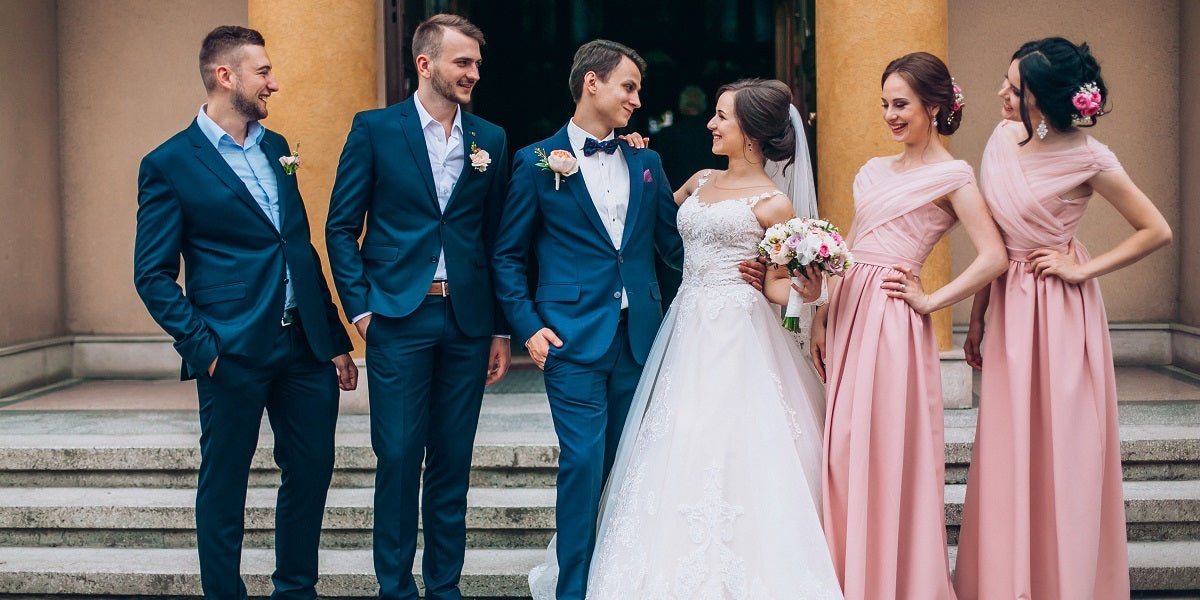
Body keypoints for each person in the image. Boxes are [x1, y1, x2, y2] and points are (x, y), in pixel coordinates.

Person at [491, 40, 765, 600]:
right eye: (629, 87)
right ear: (592, 82)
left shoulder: (646, 161)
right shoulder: (537, 162)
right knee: (584, 461)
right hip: (569, 337)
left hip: (642, 337)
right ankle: (573, 589)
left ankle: (617, 583)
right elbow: (507, 255)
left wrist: (748, 262)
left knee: (632, 468)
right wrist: (526, 324)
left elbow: (674, 242)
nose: (637, 100)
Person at [584, 78, 844, 599]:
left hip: (740, 331)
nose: (710, 123)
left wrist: (806, 289)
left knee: (735, 439)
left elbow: (775, 283)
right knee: (678, 435)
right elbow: (647, 210)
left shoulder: (774, 204)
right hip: (688, 325)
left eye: (722, 116)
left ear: (748, 131)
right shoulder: (700, 181)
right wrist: (636, 156)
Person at [133, 25, 357, 600]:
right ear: (224, 76)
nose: (273, 84)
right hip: (230, 351)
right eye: (263, 72)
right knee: (225, 481)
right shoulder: (168, 164)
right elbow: (153, 275)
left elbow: (298, 248)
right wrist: (203, 348)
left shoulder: (277, 147)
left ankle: (295, 590)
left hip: (304, 348)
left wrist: (333, 337)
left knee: (310, 473)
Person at [954, 38, 1171, 600]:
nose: (1001, 92)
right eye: (1006, 81)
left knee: (1064, 452)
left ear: (1045, 101)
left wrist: (1085, 270)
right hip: (1008, 305)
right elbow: (995, 241)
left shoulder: (1092, 159)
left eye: (1014, 88)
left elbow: (1155, 229)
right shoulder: (1002, 138)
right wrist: (976, 318)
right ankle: (1006, 584)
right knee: (1007, 449)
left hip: (1059, 312)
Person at [324, 14, 511, 600]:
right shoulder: (375, 130)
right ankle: (395, 588)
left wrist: (500, 327)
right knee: (400, 456)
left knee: (453, 459)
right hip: (397, 320)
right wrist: (361, 310)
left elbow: (498, 238)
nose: (474, 73)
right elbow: (339, 228)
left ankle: (445, 587)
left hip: (467, 320)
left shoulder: (492, 140)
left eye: (477, 64)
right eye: (463, 62)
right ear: (425, 64)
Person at [810, 52, 1008, 600]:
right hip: (849, 309)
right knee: (842, 447)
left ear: (935, 107)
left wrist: (931, 301)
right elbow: (848, 248)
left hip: (894, 320)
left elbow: (993, 256)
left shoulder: (953, 175)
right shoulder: (872, 170)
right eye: (885, 104)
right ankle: (846, 577)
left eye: (901, 104)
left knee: (883, 447)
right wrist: (824, 314)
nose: (890, 115)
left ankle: (893, 583)